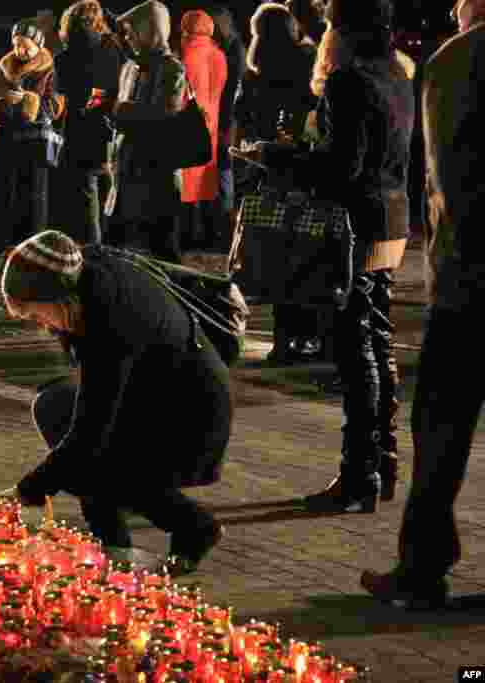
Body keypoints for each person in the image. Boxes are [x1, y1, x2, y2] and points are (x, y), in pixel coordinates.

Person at [255, 0, 416, 514]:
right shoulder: (397, 74)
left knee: (354, 350)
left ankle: (358, 475)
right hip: (391, 217)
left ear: (341, 31)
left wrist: (280, 158)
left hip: (354, 224)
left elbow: (341, 167)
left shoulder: (349, 81)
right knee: (378, 340)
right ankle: (382, 465)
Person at [7, 231, 232, 576]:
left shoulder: (110, 317)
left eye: (37, 315)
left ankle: (190, 527)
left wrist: (29, 489)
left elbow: (91, 429)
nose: (41, 326)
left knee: (100, 457)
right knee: (56, 407)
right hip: (152, 398)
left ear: (57, 296)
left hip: (190, 415)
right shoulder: (87, 281)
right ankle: (113, 541)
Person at [361, 0, 485, 609]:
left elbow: (447, 180)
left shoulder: (457, 60)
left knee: (440, 430)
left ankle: (423, 566)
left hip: (469, 280)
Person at [235, 2, 320, 364]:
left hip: (269, 172)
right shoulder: (308, 63)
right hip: (302, 170)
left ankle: (284, 339)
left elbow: (245, 119)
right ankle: (309, 334)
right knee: (305, 253)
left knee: (277, 255)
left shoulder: (255, 73)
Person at [103, 0, 187, 264]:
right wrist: (110, 114)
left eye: (131, 31)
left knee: (163, 249)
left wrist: (119, 109)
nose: (126, 38)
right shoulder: (129, 67)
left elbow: (164, 114)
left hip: (156, 171)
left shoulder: (171, 68)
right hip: (125, 165)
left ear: (149, 31)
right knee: (112, 246)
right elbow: (125, 114)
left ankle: (174, 301)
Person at [0, 20, 62, 275]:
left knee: (34, 201)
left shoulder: (50, 68)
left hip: (36, 143)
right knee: (5, 198)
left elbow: (55, 106)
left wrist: (29, 102)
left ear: (37, 44)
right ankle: (2, 251)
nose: (20, 50)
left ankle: (34, 256)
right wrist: (2, 104)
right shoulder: (4, 67)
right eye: (16, 44)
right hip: (6, 140)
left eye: (25, 44)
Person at [54, 0, 123, 246]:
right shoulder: (114, 49)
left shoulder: (63, 58)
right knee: (112, 194)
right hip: (111, 126)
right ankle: (114, 252)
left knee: (86, 196)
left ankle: (94, 251)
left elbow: (61, 96)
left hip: (78, 130)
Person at [178, 9, 228, 251]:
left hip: (188, 123)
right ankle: (211, 235)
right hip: (211, 122)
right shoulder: (218, 55)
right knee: (206, 180)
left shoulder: (184, 53)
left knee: (186, 182)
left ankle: (188, 235)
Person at [210, 5, 247, 248]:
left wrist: (227, 124)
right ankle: (220, 227)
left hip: (227, 118)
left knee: (225, 169)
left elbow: (232, 88)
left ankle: (224, 229)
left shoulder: (234, 50)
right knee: (221, 171)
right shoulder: (227, 47)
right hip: (221, 116)